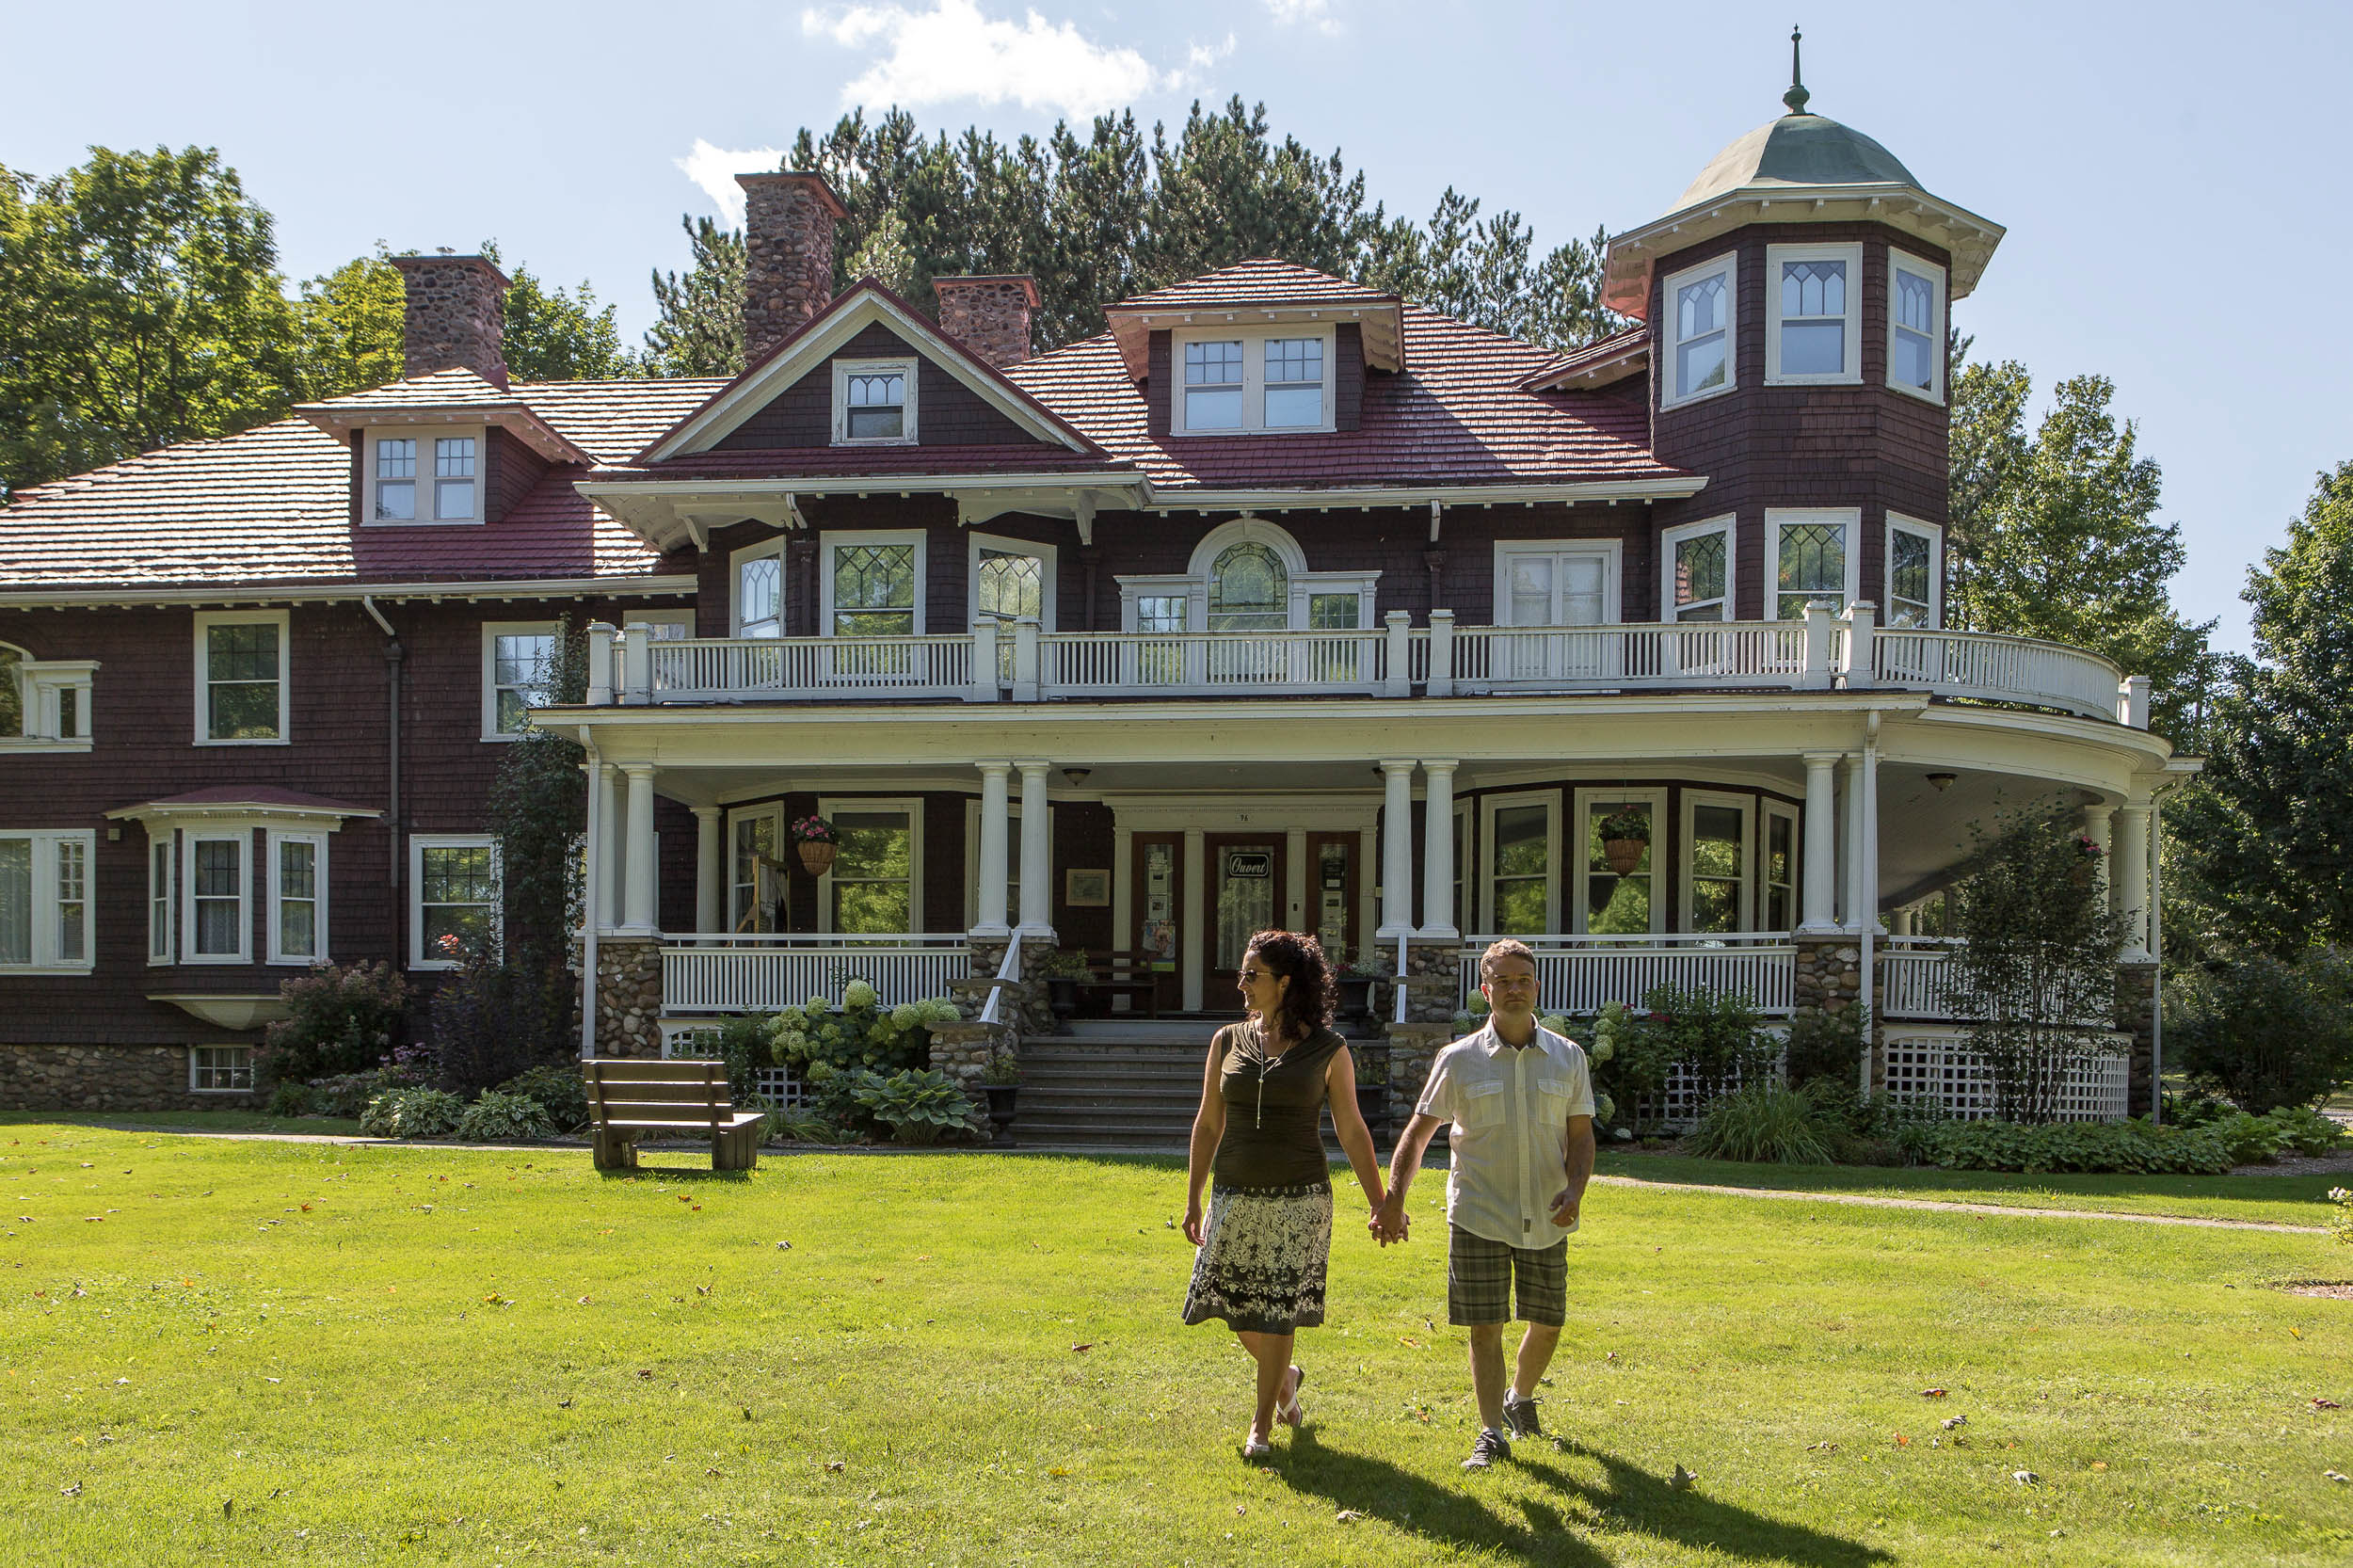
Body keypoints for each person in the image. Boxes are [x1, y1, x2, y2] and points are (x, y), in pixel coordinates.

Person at [1371, 937, 1595, 1471]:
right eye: (1503, 980)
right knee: (1485, 1325)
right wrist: (1394, 1198)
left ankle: (1520, 1397)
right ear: (1484, 989)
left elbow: (1581, 1134)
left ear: (1535, 986)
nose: (1514, 989)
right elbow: (1419, 1133)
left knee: (1547, 1320)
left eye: (1523, 979)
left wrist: (1575, 1188)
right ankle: (1491, 1430)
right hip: (1477, 1211)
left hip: (1547, 1210)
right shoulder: (1459, 1059)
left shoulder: (1568, 1057)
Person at [1181, 930, 1387, 1459]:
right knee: (1224, 1301)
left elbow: (1352, 1130)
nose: (1242, 984)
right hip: (1234, 1191)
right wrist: (1193, 1197)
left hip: (1300, 1198)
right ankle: (1287, 1377)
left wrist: (1380, 1200)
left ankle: (1261, 1426)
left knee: (1276, 1310)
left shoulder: (1329, 1049)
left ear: (1286, 982)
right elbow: (1207, 1124)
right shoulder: (1226, 1041)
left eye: (1254, 974)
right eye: (1243, 973)